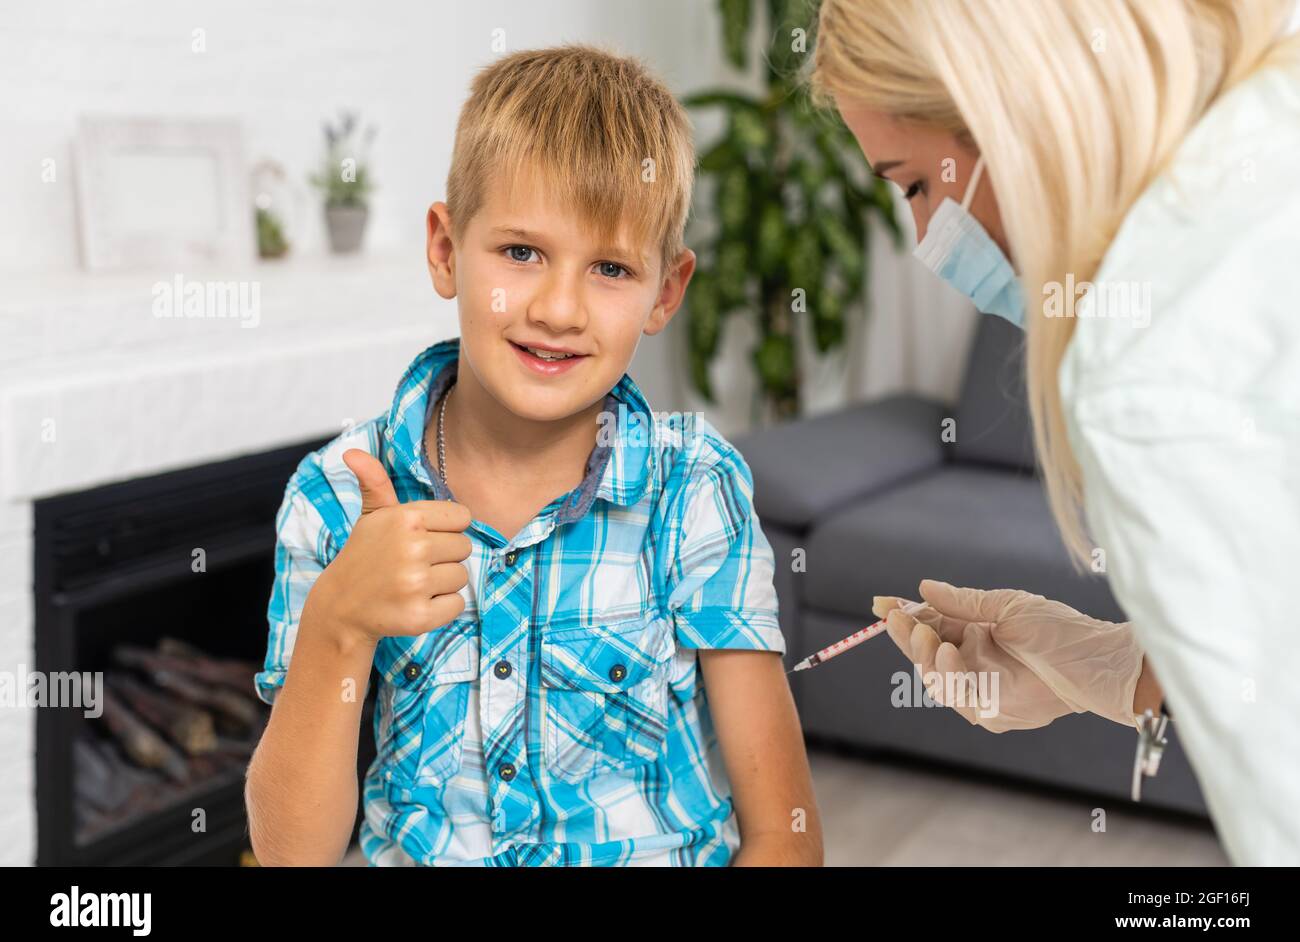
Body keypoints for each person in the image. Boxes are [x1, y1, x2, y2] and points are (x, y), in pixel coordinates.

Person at [245, 45, 822, 867]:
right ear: (446, 250)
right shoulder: (334, 499)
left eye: (611, 268)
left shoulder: (693, 490)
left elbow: (785, 835)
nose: (558, 308)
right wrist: (340, 620)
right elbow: (288, 855)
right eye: (521, 253)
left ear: (666, 292)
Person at [810, 0, 1300, 864]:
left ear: (1007, 102)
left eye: (917, 184)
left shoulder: (1147, 362)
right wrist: (1109, 665)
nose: (928, 238)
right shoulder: (1266, 128)